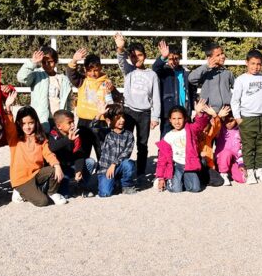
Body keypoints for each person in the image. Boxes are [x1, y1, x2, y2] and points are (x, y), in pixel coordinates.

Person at [114, 34, 160, 178]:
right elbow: (120, 60)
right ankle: (124, 171)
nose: (136, 58)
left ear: (144, 56)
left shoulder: (152, 75)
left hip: (145, 113)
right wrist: (120, 47)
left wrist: (155, 116)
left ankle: (140, 173)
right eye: (133, 56)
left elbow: (156, 97)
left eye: (139, 55)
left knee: (142, 144)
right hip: (128, 111)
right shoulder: (128, 70)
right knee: (125, 141)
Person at [3, 105, 66, 207]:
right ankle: (19, 192)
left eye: (31, 123)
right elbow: (9, 126)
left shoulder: (40, 138)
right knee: (43, 201)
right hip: (21, 179)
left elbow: (48, 153)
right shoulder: (14, 137)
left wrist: (57, 165)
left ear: (36, 122)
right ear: (18, 123)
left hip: (36, 173)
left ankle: (52, 193)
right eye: (23, 123)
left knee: (54, 170)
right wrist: (8, 109)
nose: (27, 127)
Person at [66, 48, 119, 155]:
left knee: (102, 151)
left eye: (95, 69)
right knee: (83, 151)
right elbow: (71, 74)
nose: (93, 73)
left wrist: (113, 90)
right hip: (84, 121)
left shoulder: (106, 82)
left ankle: (102, 171)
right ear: (85, 70)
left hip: (101, 121)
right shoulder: (82, 80)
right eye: (89, 70)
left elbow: (117, 99)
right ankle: (85, 171)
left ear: (100, 67)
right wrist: (74, 61)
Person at [232, 49, 262, 183]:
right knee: (248, 146)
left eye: (258, 64)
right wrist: (238, 117)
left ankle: (260, 170)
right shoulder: (241, 80)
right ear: (246, 63)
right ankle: (250, 172)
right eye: (253, 63)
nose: (255, 67)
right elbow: (235, 100)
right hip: (247, 118)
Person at [157, 100, 214, 193]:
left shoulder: (190, 129)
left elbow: (200, 125)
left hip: (189, 164)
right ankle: (172, 180)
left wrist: (198, 113)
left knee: (195, 189)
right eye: (174, 119)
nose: (177, 122)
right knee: (176, 190)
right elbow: (162, 159)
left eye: (180, 118)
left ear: (185, 118)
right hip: (176, 166)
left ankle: (184, 179)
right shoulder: (168, 137)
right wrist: (161, 178)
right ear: (170, 120)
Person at [17, 46, 73, 126]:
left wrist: (68, 116)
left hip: (60, 119)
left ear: (56, 61)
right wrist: (33, 62)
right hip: (42, 119)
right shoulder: (36, 75)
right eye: (44, 62)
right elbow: (21, 78)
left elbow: (68, 101)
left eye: (50, 61)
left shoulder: (63, 79)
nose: (47, 65)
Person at [47, 110, 94, 196]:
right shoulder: (53, 135)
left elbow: (79, 154)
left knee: (90, 162)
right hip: (60, 169)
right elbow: (52, 148)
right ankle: (69, 186)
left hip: (71, 166)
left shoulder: (75, 135)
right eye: (69, 123)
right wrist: (68, 140)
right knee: (65, 195)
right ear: (59, 126)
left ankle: (81, 186)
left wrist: (78, 170)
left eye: (73, 122)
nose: (73, 125)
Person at [93, 104, 136, 197]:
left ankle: (126, 185)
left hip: (119, 166)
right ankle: (113, 182)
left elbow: (126, 153)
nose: (122, 120)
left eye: (123, 117)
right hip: (105, 169)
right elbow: (93, 128)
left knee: (129, 164)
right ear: (109, 120)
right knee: (105, 193)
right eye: (118, 118)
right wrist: (99, 114)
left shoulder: (129, 135)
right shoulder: (105, 133)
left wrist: (114, 164)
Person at [152, 40, 192, 138]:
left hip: (183, 112)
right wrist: (163, 57)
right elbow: (155, 68)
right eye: (170, 59)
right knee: (165, 138)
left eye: (176, 58)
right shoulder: (164, 72)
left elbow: (191, 91)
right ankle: (163, 154)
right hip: (168, 112)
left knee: (184, 138)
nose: (173, 61)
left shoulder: (185, 73)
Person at [188, 43, 234, 111]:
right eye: (218, 55)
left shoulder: (228, 73)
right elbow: (191, 78)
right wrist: (207, 67)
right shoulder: (205, 72)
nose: (222, 56)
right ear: (209, 58)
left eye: (222, 53)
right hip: (209, 111)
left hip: (225, 111)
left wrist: (231, 101)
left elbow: (237, 87)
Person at [214, 109, 246, 185]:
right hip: (221, 158)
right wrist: (218, 116)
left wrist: (241, 163)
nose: (228, 123)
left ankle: (230, 171)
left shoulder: (239, 132)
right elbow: (214, 126)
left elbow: (240, 149)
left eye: (231, 121)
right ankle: (223, 173)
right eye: (226, 120)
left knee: (242, 179)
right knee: (226, 152)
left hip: (234, 160)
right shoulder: (220, 129)